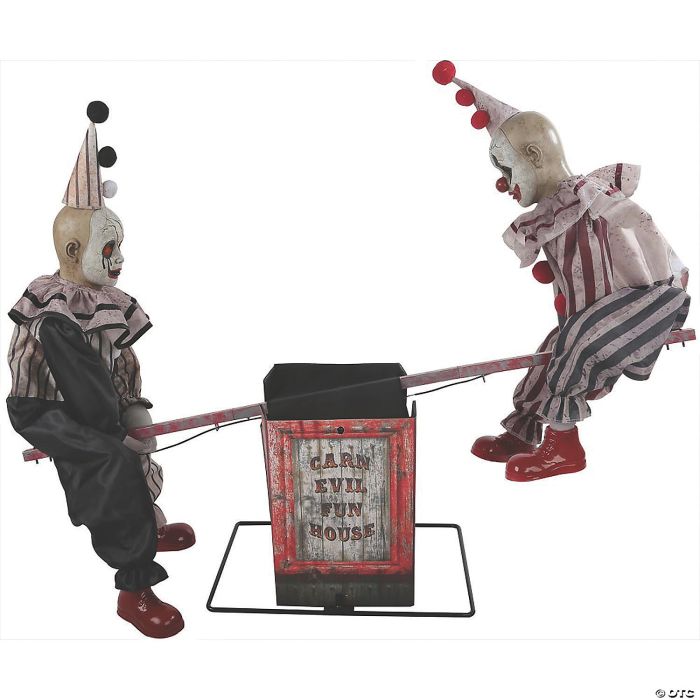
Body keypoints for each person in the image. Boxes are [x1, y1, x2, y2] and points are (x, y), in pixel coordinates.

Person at [433, 61, 690, 482]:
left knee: (577, 342)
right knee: (553, 351)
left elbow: (645, 232)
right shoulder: (552, 212)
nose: (503, 183)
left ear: (533, 156)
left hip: (648, 301)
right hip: (589, 314)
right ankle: (524, 432)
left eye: (506, 168)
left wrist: (669, 287)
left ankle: (565, 447)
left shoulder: (589, 195)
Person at [6, 102, 194, 637]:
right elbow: (78, 381)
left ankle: (147, 526)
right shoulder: (53, 310)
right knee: (110, 460)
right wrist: (114, 428)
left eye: (120, 246)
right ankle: (134, 586)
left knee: (135, 440)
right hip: (49, 410)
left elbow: (121, 360)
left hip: (98, 402)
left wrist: (133, 408)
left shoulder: (107, 299)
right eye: (108, 247)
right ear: (73, 249)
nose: (119, 258)